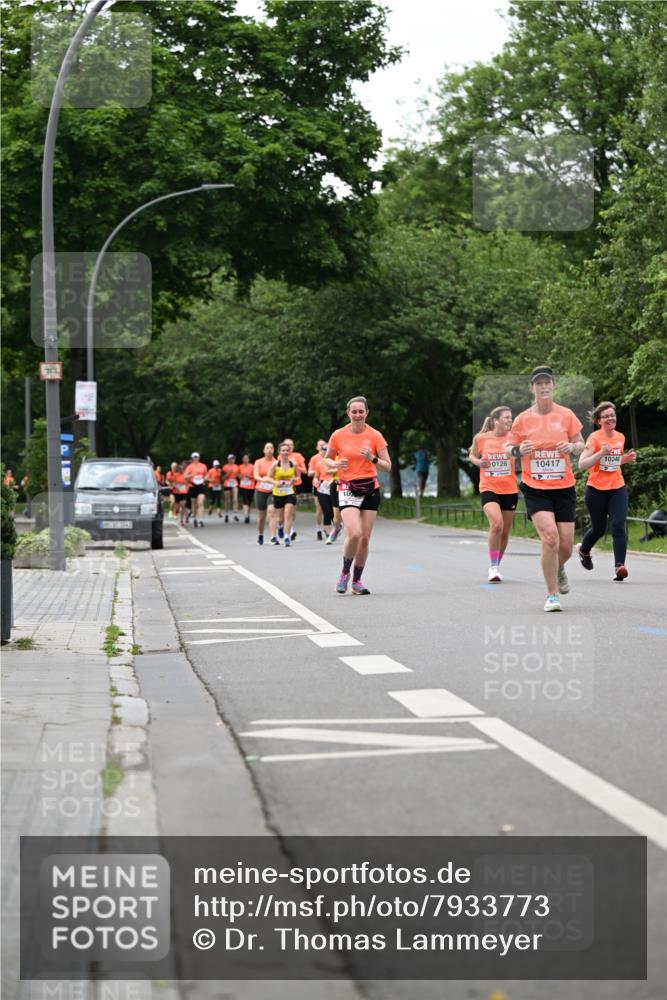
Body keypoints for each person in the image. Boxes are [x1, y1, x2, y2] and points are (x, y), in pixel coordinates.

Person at [506, 366, 585, 612]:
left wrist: (572, 448)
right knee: (550, 537)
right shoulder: (522, 419)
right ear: (532, 388)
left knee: (566, 547)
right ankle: (552, 595)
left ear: (553, 386)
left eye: (547, 383)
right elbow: (508, 447)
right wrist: (520, 451)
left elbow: (581, 443)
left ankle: (559, 567)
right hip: (535, 487)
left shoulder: (566, 415)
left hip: (564, 487)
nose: (543, 387)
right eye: (538, 383)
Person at [325, 395, 391, 595]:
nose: (357, 415)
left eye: (361, 411)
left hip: (370, 488)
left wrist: (372, 458)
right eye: (354, 411)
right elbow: (326, 460)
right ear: (348, 413)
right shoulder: (338, 435)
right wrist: (336, 464)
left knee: (364, 538)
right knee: (353, 533)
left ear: (367, 413)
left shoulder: (375, 435)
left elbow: (387, 466)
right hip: (346, 487)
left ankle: (357, 581)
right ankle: (344, 573)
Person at [577, 401, 636, 581]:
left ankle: (620, 566)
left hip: (617, 487)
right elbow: (582, 465)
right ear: (598, 421)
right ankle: (584, 550)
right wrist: (600, 453)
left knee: (618, 525)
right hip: (596, 490)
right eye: (606, 416)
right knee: (599, 529)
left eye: (613, 415)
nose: (611, 418)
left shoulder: (620, 437)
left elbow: (613, 462)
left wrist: (624, 459)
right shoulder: (594, 438)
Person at [469, 406, 517, 582]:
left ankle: (496, 564)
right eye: (506, 417)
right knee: (496, 524)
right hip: (489, 487)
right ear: (496, 420)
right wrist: (478, 462)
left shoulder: (514, 438)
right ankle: (493, 567)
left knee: (504, 531)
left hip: (510, 489)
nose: (510, 420)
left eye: (511, 418)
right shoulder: (481, 438)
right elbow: (472, 455)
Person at [270, 442, 298, 546]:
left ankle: (287, 537)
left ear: (289, 451)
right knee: (280, 518)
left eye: (287, 450)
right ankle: (280, 526)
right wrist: (276, 482)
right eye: (283, 450)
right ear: (279, 452)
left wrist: (293, 480)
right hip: (278, 493)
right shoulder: (275, 464)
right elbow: (268, 477)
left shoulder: (293, 464)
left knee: (288, 513)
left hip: (290, 492)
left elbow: (298, 477)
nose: (285, 452)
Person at [253, 443, 276, 545]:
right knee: (261, 517)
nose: (269, 450)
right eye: (267, 448)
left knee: (271, 512)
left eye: (271, 448)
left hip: (273, 490)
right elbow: (255, 475)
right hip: (260, 490)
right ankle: (260, 534)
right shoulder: (258, 462)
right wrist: (263, 480)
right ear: (264, 450)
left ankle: (273, 537)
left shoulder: (276, 462)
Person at [284, 438, 307, 539]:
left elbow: (305, 471)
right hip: (284, 485)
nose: (289, 447)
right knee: (285, 509)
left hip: (296, 485)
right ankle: (288, 529)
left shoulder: (298, 456)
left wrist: (296, 466)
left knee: (292, 509)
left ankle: (291, 528)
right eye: (287, 445)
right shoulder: (281, 457)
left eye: (291, 445)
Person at [308, 439, 328, 540]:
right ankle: (318, 529)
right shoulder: (314, 458)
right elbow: (309, 473)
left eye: (324, 447)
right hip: (318, 485)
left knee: (329, 509)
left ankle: (327, 528)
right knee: (319, 509)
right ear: (317, 448)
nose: (322, 448)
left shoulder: (332, 457)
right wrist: (317, 469)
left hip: (329, 485)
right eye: (320, 446)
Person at [184, 452, 208, 528]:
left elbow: (206, 474)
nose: (195, 458)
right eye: (194, 457)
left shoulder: (203, 466)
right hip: (193, 485)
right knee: (194, 504)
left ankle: (200, 520)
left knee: (200, 502)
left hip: (201, 485)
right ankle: (195, 518)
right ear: (192, 458)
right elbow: (185, 476)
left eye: (197, 457)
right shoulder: (189, 467)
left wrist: (205, 478)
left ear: (199, 457)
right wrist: (192, 475)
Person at [222, 454, 240, 522]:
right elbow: (222, 478)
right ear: (228, 460)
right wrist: (228, 473)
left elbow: (238, 475)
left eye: (233, 459)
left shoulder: (237, 467)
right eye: (231, 459)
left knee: (235, 499)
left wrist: (240, 476)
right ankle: (226, 514)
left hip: (234, 483)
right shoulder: (225, 467)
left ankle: (235, 515)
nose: (232, 460)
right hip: (227, 483)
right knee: (227, 500)